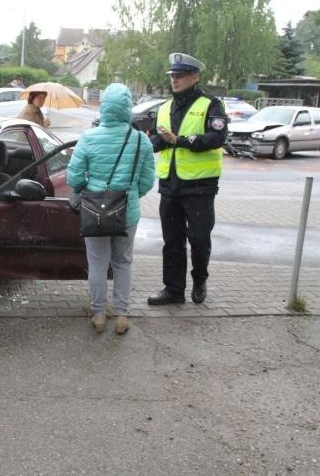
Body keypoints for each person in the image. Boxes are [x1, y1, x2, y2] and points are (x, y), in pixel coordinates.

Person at [67, 83, 155, 335]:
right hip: (127, 211)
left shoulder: (88, 138)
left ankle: (98, 314)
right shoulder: (141, 140)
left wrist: (88, 187)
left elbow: (74, 178)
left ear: (104, 107)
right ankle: (122, 315)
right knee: (123, 262)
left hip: (95, 211)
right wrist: (133, 195)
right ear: (128, 108)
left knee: (96, 263)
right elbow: (148, 179)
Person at [148, 52, 228, 306]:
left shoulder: (211, 104)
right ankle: (173, 290)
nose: (175, 81)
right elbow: (158, 141)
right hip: (170, 185)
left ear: (195, 76)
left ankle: (200, 279)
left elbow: (216, 138)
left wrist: (180, 141)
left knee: (199, 239)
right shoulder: (163, 108)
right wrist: (143, 145)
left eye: (180, 76)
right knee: (172, 241)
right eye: (173, 76)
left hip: (199, 186)